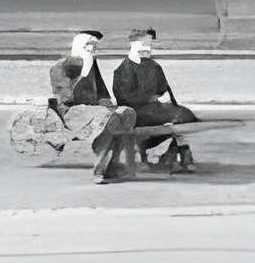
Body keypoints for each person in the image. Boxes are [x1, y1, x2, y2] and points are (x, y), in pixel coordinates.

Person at [47, 30, 136, 182]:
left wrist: (108, 106)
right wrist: (80, 73)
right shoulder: (60, 67)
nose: (92, 48)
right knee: (110, 120)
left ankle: (111, 163)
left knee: (127, 114)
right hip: (72, 112)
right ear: (80, 44)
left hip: (95, 110)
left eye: (94, 45)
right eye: (89, 44)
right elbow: (66, 98)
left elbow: (102, 92)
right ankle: (100, 168)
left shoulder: (92, 64)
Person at [109, 27, 201, 169]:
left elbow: (163, 87)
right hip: (135, 110)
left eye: (150, 44)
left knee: (184, 114)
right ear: (134, 45)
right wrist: (149, 98)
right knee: (164, 119)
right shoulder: (124, 69)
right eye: (144, 43)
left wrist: (160, 97)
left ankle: (180, 151)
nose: (148, 47)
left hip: (154, 106)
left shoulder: (153, 65)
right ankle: (169, 152)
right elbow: (124, 96)